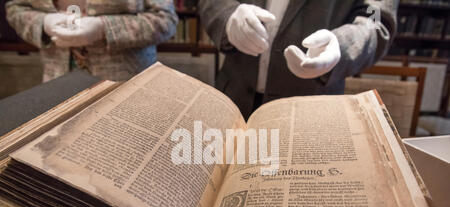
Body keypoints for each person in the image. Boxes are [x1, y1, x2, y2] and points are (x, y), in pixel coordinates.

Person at [198, 0, 398, 119]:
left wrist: (343, 43)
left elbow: (374, 18)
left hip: (310, 113)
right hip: (233, 100)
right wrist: (227, 16)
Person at [6, 0, 178, 82]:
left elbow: (166, 20)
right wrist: (44, 22)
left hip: (127, 82)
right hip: (58, 81)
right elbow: (15, 9)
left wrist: (104, 28)